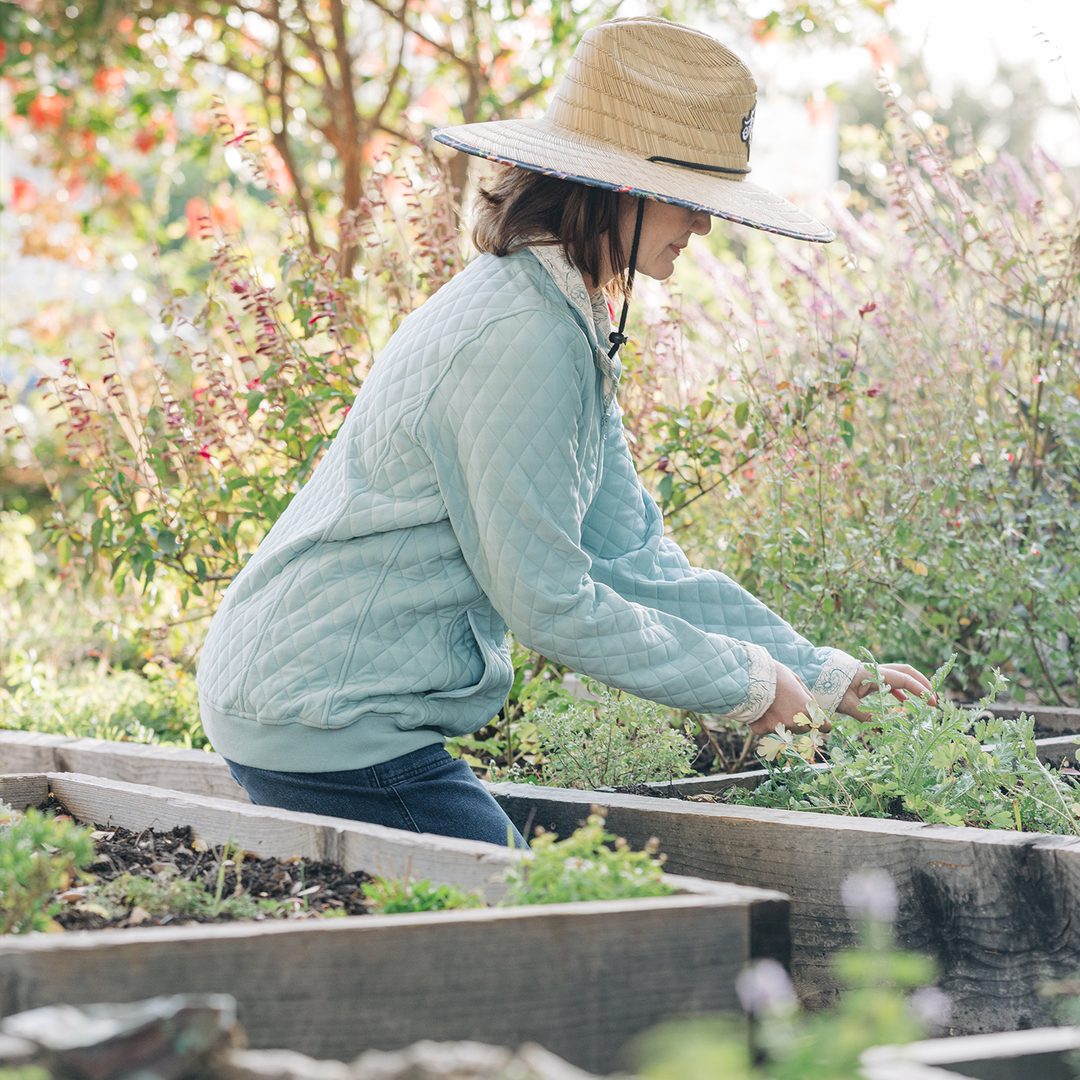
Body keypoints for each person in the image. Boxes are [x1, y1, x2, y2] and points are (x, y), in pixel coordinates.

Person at [196, 16, 934, 847]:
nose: (705, 228)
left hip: (324, 701)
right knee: (536, 930)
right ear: (616, 188)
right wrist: (747, 686)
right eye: (692, 201)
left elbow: (632, 556)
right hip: (328, 715)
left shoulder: (562, 314)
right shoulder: (523, 334)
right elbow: (549, 601)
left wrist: (818, 672)